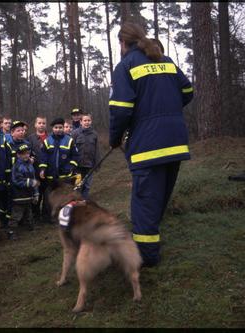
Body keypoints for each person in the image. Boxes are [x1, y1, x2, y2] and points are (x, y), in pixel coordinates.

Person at [109, 22, 193, 268]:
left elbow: (121, 109)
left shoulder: (125, 66)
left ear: (123, 43)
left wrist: (115, 138)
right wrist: (167, 110)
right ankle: (150, 245)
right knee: (158, 199)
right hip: (175, 142)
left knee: (145, 203)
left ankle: (147, 257)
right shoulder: (165, 60)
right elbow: (188, 90)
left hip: (148, 146)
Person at [39, 118, 79, 223]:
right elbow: (43, 157)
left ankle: (64, 217)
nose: (58, 129)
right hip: (50, 176)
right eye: (56, 127)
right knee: (50, 198)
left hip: (64, 176)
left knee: (65, 197)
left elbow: (75, 156)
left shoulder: (69, 140)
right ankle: (49, 217)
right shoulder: (47, 141)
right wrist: (42, 169)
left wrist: (71, 166)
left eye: (60, 127)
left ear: (63, 127)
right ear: (52, 128)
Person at [8, 144, 39, 239]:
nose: (26, 155)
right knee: (16, 214)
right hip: (19, 195)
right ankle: (11, 231)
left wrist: (36, 193)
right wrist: (31, 183)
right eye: (23, 154)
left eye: (27, 153)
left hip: (29, 195)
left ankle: (31, 227)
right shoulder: (17, 166)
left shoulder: (30, 165)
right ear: (18, 155)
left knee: (29, 212)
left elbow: (33, 178)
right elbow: (17, 181)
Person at [71, 113, 101, 199]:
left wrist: (97, 164)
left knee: (87, 185)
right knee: (78, 184)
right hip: (78, 165)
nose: (87, 122)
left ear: (91, 121)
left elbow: (96, 150)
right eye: (85, 120)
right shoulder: (75, 133)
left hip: (89, 165)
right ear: (81, 122)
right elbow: (71, 149)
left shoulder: (94, 134)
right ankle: (77, 200)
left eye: (88, 120)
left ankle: (84, 200)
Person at [27, 116, 48, 223]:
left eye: (43, 123)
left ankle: (46, 216)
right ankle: (36, 215)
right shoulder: (30, 138)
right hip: (35, 172)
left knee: (47, 195)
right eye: (39, 123)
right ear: (35, 124)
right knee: (36, 194)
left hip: (48, 172)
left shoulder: (50, 137)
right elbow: (27, 153)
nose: (41, 125)